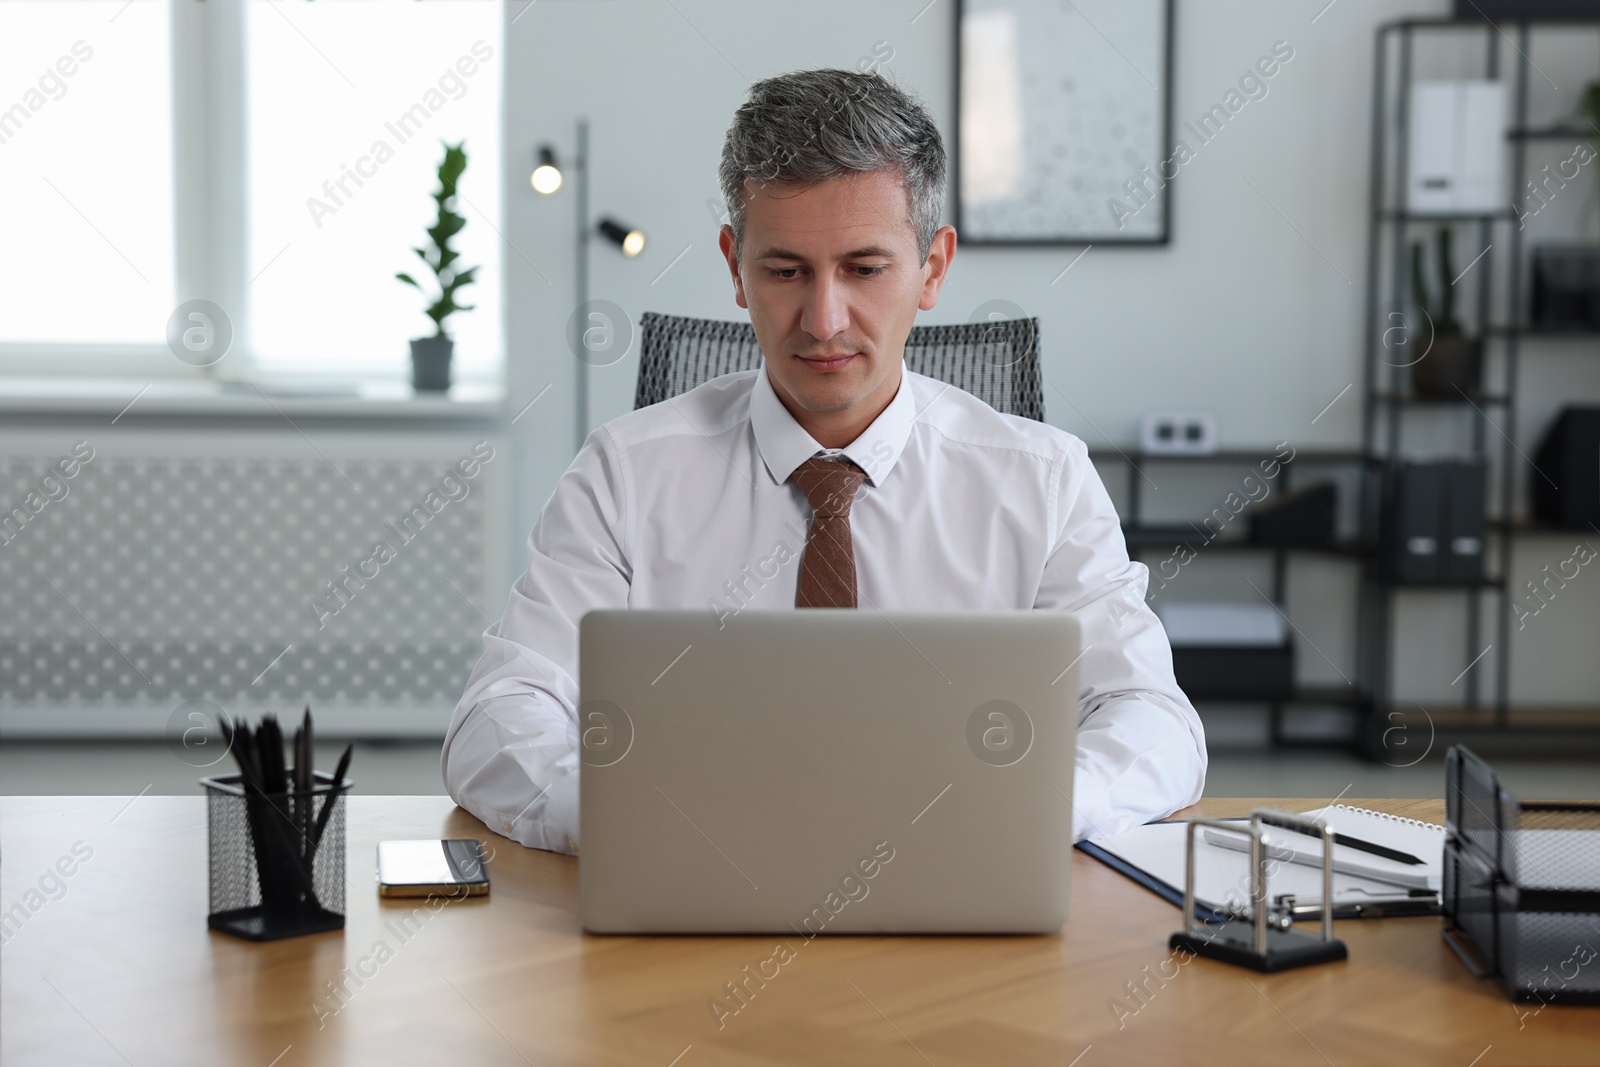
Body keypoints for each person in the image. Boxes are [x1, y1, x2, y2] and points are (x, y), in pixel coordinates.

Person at [442, 68, 1205, 855]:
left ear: (933, 268)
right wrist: (631, 815)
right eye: (785, 271)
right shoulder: (623, 474)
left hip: (963, 888)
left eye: (865, 269)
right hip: (691, 897)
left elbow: (1152, 718)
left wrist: (1026, 809)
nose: (824, 319)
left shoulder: (1044, 481)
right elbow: (499, 713)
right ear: (735, 267)